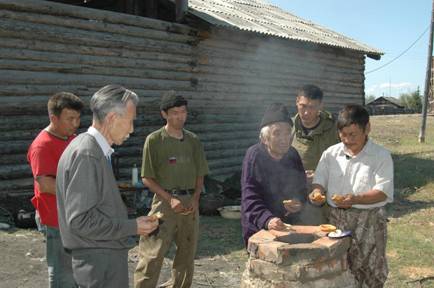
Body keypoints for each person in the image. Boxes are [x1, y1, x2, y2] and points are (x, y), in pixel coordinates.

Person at [56, 85, 158, 288]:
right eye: (130, 122)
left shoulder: (94, 151)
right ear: (112, 118)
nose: (132, 129)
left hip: (102, 257)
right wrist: (132, 226)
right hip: (98, 263)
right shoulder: (87, 154)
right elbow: (81, 221)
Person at [309, 104, 394, 287]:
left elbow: (382, 192)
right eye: (343, 134)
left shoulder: (380, 156)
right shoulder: (331, 154)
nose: (347, 140)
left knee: (371, 270)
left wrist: (355, 199)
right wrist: (317, 192)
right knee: (338, 268)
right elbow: (319, 181)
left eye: (352, 134)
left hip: (368, 221)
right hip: (336, 220)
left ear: (367, 128)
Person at [134, 91, 209, 288]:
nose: (179, 117)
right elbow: (147, 178)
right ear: (164, 114)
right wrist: (170, 199)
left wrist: (195, 198)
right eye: (174, 113)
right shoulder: (155, 140)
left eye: (183, 112)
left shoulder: (193, 140)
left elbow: (200, 174)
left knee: (186, 255)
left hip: (189, 204)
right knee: (152, 254)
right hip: (164, 204)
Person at [27, 91, 84, 288]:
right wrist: (83, 193)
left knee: (76, 272)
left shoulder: (70, 137)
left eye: (78, 118)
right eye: (70, 119)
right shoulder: (42, 146)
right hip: (55, 218)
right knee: (62, 275)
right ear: (54, 118)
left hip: (73, 216)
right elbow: (45, 184)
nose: (75, 124)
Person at [240, 103, 308, 247]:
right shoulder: (254, 156)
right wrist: (268, 219)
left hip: (288, 226)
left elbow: (301, 187)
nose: (284, 138)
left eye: (287, 132)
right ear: (265, 138)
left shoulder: (293, 154)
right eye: (277, 133)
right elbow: (249, 197)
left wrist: (298, 201)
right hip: (260, 228)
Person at [292, 84, 339, 171]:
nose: (306, 112)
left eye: (312, 107)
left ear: (321, 105)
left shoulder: (335, 129)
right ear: (297, 101)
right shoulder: (289, 127)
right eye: (303, 106)